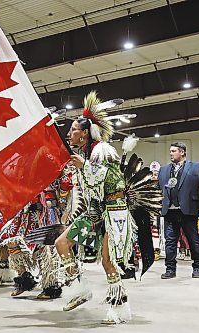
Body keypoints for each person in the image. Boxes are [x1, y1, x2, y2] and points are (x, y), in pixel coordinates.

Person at [55, 91, 161, 324]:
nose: (69, 133)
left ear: (85, 133)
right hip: (95, 212)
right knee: (61, 243)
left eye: (73, 129)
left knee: (108, 261)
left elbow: (113, 181)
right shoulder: (83, 153)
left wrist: (85, 167)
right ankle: (79, 289)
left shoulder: (102, 151)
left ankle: (118, 307)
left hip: (114, 212)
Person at [157, 142, 199, 279]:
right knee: (170, 241)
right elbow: (158, 191)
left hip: (189, 210)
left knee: (193, 240)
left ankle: (197, 267)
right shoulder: (163, 170)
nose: (170, 153)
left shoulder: (196, 167)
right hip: (169, 211)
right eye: (170, 151)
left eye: (174, 151)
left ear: (182, 152)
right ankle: (170, 269)